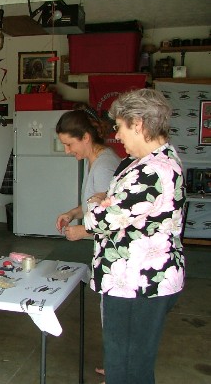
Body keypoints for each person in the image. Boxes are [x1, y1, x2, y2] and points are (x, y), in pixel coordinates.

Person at [84, 88, 186, 384]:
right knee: (133, 364)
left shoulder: (151, 170)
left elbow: (99, 219)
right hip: (143, 280)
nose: (117, 135)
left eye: (119, 126)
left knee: (126, 369)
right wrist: (108, 200)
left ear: (138, 123)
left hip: (137, 283)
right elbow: (117, 207)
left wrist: (97, 203)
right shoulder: (158, 160)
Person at [55, 108, 121, 241]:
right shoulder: (92, 160)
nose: (67, 151)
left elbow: (116, 216)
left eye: (69, 144)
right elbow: (95, 205)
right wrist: (72, 214)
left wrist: (84, 231)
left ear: (85, 137)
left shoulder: (104, 166)